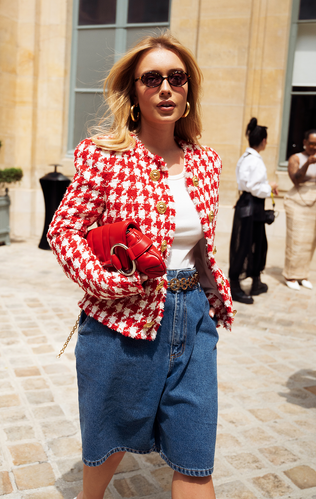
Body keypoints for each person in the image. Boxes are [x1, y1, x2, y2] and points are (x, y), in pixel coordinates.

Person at [48, 32, 234, 499]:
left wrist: (215, 300)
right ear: (134, 91)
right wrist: (106, 282)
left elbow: (201, 247)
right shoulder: (103, 156)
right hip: (121, 322)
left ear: (189, 89)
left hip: (192, 319)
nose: (165, 88)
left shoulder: (207, 163)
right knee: (108, 443)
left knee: (195, 456)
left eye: (177, 77)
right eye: (152, 78)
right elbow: (64, 230)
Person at [229, 118, 278, 304]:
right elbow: (254, 187)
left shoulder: (246, 157)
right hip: (251, 205)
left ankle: (256, 281)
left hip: (249, 204)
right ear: (263, 141)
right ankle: (234, 286)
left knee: (257, 242)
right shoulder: (254, 160)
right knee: (244, 245)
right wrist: (270, 186)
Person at [283, 129, 316, 290]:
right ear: (304, 143)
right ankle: (290, 275)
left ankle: (303, 275)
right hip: (298, 200)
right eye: (311, 143)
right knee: (296, 239)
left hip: (314, 201)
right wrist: (308, 163)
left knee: (310, 241)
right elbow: (295, 179)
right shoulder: (296, 158)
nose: (314, 147)